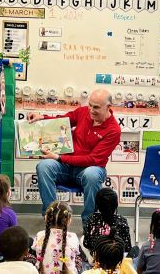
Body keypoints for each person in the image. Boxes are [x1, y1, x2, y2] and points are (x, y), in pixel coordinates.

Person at [27, 88, 121, 224]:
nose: (91, 110)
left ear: (108, 107)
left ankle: (89, 224)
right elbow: (61, 122)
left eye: (96, 107)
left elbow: (93, 159)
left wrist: (59, 157)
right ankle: (53, 218)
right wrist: (42, 117)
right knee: (44, 166)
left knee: (92, 175)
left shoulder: (114, 130)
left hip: (90, 169)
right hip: (66, 166)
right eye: (90, 105)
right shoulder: (83, 112)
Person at [82, 188, 132, 264]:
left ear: (97, 204)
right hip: (116, 261)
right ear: (116, 204)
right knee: (136, 249)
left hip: (97, 260)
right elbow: (127, 247)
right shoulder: (122, 221)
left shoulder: (91, 219)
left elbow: (86, 243)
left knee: (82, 238)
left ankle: (91, 260)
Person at [32, 201, 80, 274]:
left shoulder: (39, 235)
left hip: (42, 271)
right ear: (69, 220)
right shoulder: (73, 237)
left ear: (46, 218)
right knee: (78, 258)